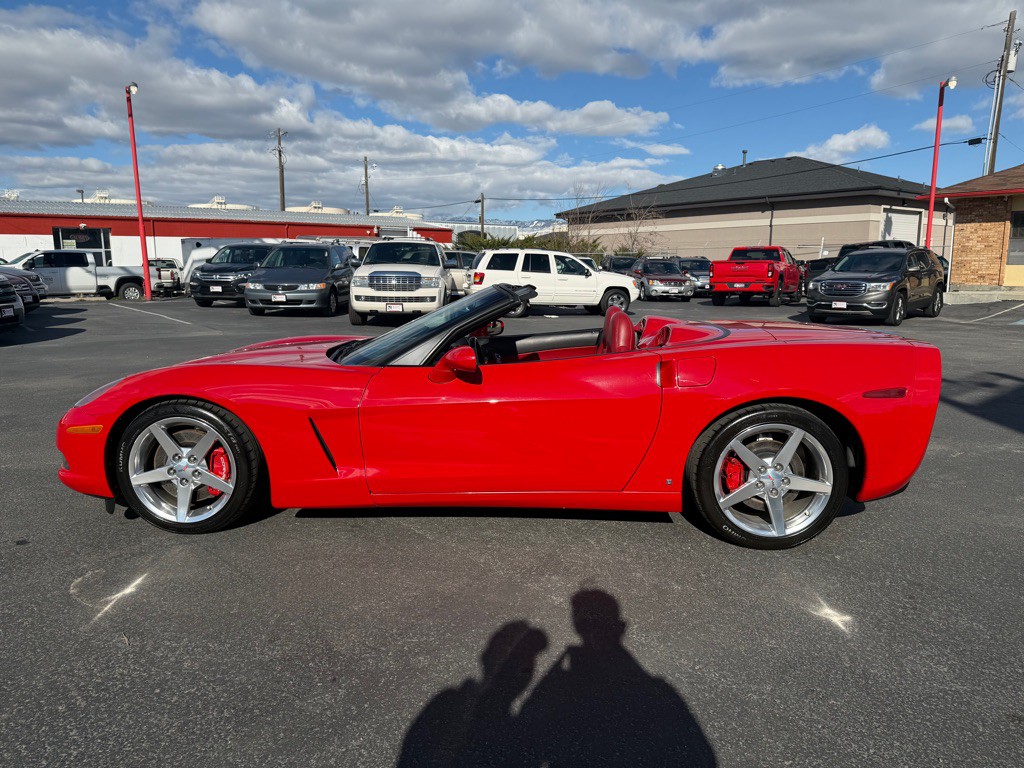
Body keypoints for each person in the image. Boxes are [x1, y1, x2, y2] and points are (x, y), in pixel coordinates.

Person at [518, 590, 716, 767]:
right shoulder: (561, 687)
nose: (595, 635)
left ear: (619, 628)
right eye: (587, 625)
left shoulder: (653, 692)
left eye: (600, 625)